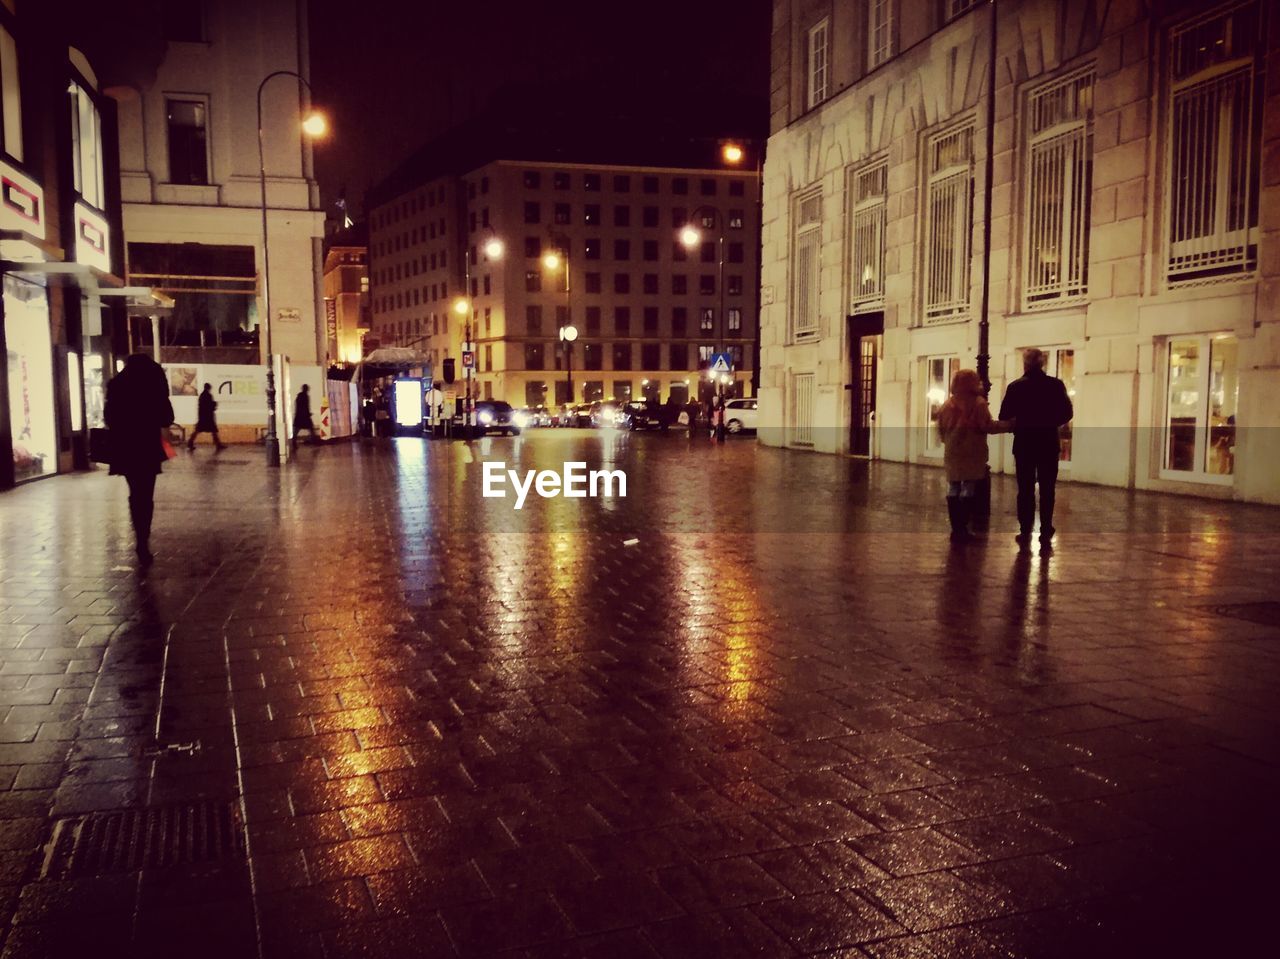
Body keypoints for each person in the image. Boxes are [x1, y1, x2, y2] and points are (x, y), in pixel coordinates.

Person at [999, 348, 1074, 549]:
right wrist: (1051, 422)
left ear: (1025, 364)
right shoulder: (1055, 385)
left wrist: (1021, 422)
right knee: (1048, 488)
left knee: (1025, 488)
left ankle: (1025, 528)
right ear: (1042, 364)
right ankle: (1046, 527)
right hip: (1048, 442)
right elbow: (1067, 412)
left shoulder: (1015, 387)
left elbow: (1004, 415)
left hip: (1024, 442)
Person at [105, 354, 175, 566]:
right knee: (146, 493)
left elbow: (109, 417)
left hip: (125, 446)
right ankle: (143, 539)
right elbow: (167, 417)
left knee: (135, 492)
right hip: (147, 445)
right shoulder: (154, 384)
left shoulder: (117, 384)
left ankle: (139, 533)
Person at [937, 369, 1008, 543]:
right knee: (968, 488)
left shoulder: (947, 404)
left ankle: (956, 529)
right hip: (972, 451)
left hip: (953, 451)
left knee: (953, 487)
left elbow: (940, 429)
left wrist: (949, 440)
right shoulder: (978, 403)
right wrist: (1009, 425)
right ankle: (964, 528)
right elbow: (987, 426)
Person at [188, 383, 226, 450]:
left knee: (198, 430)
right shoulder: (208, 395)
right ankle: (218, 445)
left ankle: (190, 443)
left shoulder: (202, 395)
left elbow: (202, 406)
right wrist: (214, 404)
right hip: (208, 417)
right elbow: (210, 406)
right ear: (209, 388)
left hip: (203, 417)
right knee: (213, 431)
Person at [293, 384, 317, 448]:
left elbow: (297, 406)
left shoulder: (299, 396)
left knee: (296, 430)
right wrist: (308, 413)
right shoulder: (306, 396)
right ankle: (314, 441)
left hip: (298, 416)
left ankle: (293, 443)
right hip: (305, 416)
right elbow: (306, 407)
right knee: (311, 429)